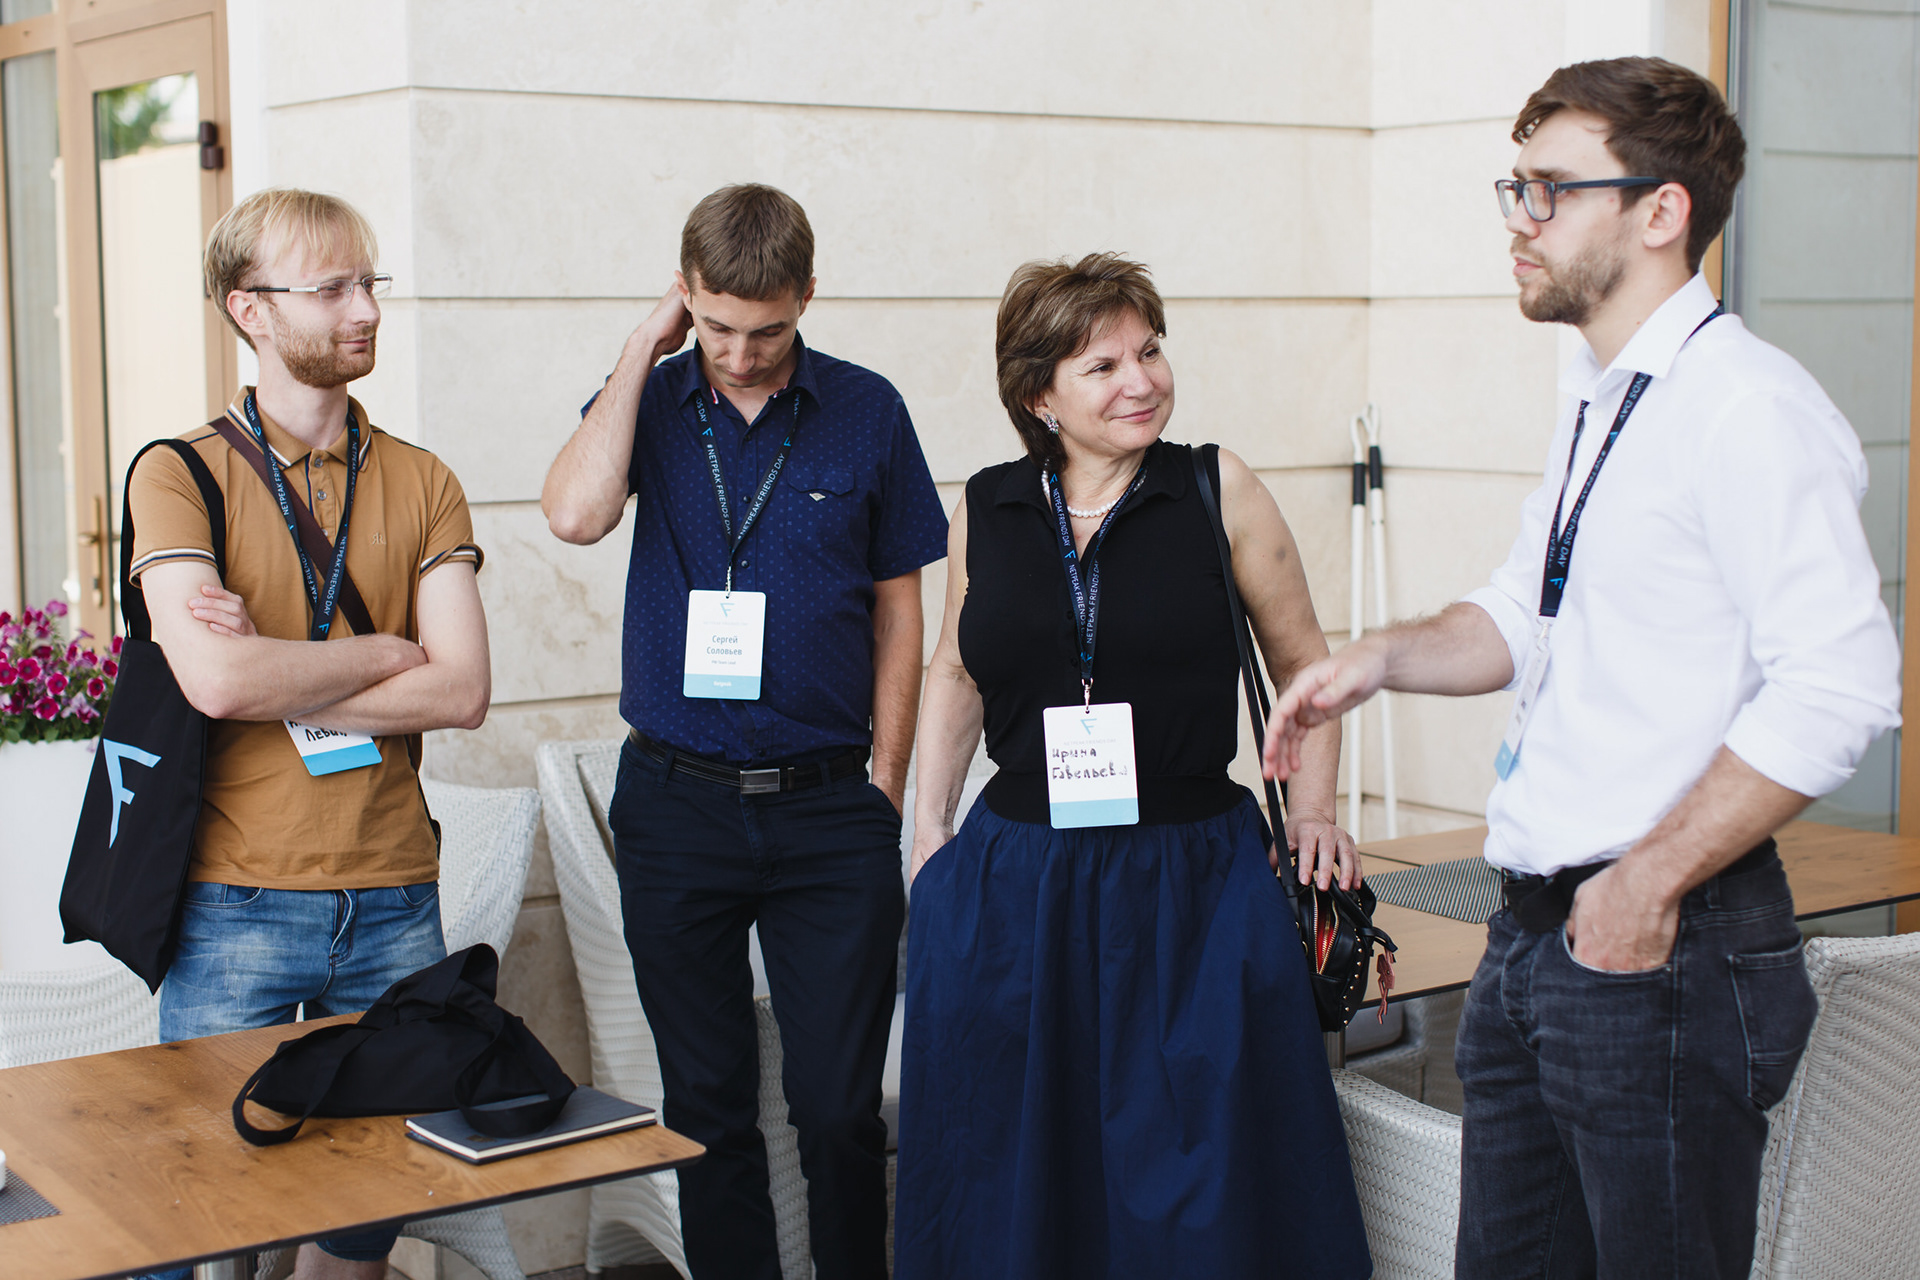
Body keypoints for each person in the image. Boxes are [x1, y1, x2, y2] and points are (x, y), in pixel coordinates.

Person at [1261, 57, 1902, 1279]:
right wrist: (1378, 658)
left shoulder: (1746, 406)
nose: (1520, 219)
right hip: (1532, 937)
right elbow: (1526, 608)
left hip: (1663, 941)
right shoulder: (1601, 396)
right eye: (1516, 187)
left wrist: (1643, 884)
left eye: (1551, 190)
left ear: (1662, 211)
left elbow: (1842, 684)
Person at [897, 252, 1372, 1279]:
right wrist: (928, 829)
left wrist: (1313, 810)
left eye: (1150, 352)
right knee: (1022, 1165)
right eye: (1103, 365)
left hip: (1190, 879)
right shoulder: (987, 506)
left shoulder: (1216, 488)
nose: (1142, 380)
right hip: (1019, 884)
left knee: (1194, 1174)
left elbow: (1307, 669)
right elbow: (955, 668)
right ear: (1039, 395)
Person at [541, 183, 947, 1280]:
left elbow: (902, 609)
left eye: (765, 330)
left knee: (838, 1110)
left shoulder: (868, 409)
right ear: (686, 295)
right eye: (716, 325)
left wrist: (888, 781)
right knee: (708, 1108)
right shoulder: (652, 397)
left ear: (807, 295)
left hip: (829, 808)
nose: (739, 353)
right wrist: (645, 347)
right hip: (677, 807)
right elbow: (574, 513)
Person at [128, 188, 491, 1280]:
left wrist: (276, 671)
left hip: (396, 894)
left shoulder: (423, 478)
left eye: (369, 282)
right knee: (202, 1215)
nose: (364, 308)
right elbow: (215, 678)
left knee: (364, 1213)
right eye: (331, 288)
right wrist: (385, 652)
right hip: (233, 900)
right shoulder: (178, 472)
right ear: (250, 308)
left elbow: (463, 690)